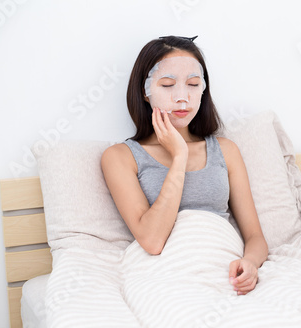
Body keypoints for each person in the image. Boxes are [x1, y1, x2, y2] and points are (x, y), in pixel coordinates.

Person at [101, 35, 268, 295]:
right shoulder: (120, 157)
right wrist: (179, 156)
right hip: (165, 278)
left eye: (192, 84)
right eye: (167, 85)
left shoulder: (226, 151)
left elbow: (255, 237)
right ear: (145, 93)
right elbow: (152, 241)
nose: (182, 98)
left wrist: (250, 263)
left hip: (224, 273)